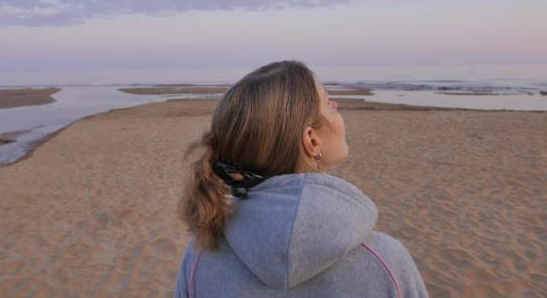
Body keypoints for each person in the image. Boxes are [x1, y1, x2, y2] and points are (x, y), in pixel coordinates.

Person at [174, 61, 428, 297]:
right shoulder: (387, 263)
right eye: (328, 103)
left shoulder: (200, 259)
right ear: (311, 140)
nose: (336, 108)